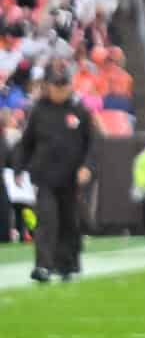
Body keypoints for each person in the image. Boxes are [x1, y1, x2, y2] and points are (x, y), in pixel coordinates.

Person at [19, 62, 95, 283]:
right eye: (56, 86)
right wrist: (19, 168)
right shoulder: (38, 111)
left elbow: (92, 144)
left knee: (69, 222)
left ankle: (68, 264)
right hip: (45, 177)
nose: (60, 90)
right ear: (48, 86)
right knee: (47, 221)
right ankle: (43, 266)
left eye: (64, 85)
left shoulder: (80, 111)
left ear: (70, 86)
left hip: (71, 178)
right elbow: (27, 143)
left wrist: (87, 166)